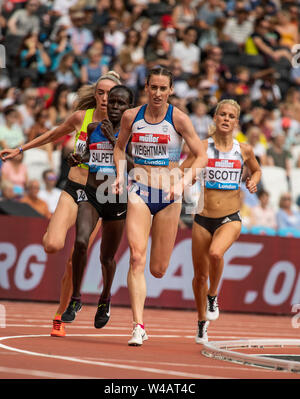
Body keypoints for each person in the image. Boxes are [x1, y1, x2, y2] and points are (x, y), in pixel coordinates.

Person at [0, 71, 122, 337]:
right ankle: (53, 228)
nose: (104, 98)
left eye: (109, 94)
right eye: (100, 92)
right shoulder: (82, 117)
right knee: (52, 244)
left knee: (73, 259)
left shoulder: (124, 124)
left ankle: (61, 313)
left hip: (99, 196)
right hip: (73, 189)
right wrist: (20, 150)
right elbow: (53, 134)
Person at [113, 67, 207, 346]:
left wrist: (182, 183)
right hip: (138, 190)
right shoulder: (132, 117)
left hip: (169, 196)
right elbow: (119, 148)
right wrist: (120, 175)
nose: (157, 93)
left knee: (157, 269)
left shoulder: (178, 118)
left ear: (171, 90)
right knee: (136, 257)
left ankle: (142, 319)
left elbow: (201, 155)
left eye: (162, 88)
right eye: (153, 87)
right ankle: (138, 325)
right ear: (146, 87)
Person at [180, 99, 261, 344]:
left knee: (216, 254)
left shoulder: (243, 149)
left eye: (231, 116)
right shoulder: (203, 147)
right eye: (222, 115)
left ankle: (213, 296)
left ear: (236, 122)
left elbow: (256, 169)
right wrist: (188, 178)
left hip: (230, 217)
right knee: (198, 277)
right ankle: (201, 322)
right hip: (203, 218)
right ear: (215, 118)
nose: (226, 119)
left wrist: (253, 180)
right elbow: (183, 170)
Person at [61, 85, 134, 328]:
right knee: (81, 242)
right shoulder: (93, 128)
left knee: (106, 257)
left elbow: (134, 167)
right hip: (91, 192)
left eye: (120, 103)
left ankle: (105, 299)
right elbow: (82, 156)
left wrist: (116, 142)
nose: (114, 106)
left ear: (128, 108)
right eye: (111, 102)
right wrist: (75, 159)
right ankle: (76, 298)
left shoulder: (133, 133)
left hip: (115, 198)